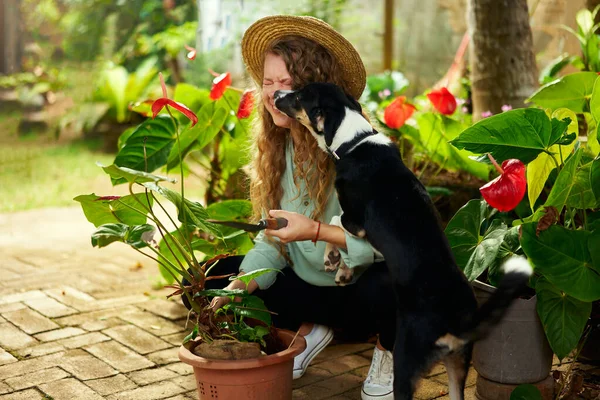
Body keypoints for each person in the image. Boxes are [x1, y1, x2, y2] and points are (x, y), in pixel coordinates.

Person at [187, 15, 396, 400]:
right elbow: (272, 244)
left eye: (286, 83)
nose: (272, 93)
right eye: (268, 82)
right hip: (308, 285)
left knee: (397, 285)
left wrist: (315, 231)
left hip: (356, 287)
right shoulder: (277, 149)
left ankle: (386, 351)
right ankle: (313, 327)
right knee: (209, 277)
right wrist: (238, 287)